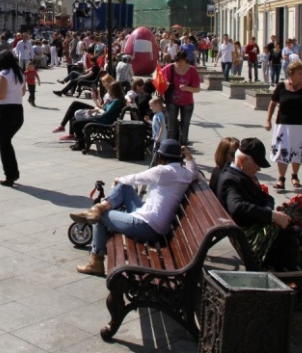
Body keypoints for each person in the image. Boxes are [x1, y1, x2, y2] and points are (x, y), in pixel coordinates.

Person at [70, 139, 198, 276]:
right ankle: (98, 209)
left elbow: (136, 178)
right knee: (124, 188)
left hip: (147, 226)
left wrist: (118, 180)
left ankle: (96, 261)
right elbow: (194, 170)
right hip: (154, 221)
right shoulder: (185, 174)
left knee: (101, 216)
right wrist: (187, 154)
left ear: (161, 157)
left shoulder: (162, 171)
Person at [216, 138, 302, 271]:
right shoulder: (231, 179)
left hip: (259, 227)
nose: (258, 169)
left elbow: (267, 198)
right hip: (255, 238)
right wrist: (272, 216)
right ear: (242, 161)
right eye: (257, 164)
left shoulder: (242, 173)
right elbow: (237, 207)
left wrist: (270, 211)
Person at [265, 62, 302, 190]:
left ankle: (295, 176)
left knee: (297, 150)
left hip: (301, 125)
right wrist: (268, 120)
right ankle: (281, 178)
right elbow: (272, 103)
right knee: (282, 151)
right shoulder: (281, 86)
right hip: (283, 125)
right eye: (299, 73)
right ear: (291, 74)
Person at [0, 50, 25, 187]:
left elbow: (1, 95)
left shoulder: (4, 74)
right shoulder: (19, 72)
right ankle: (13, 173)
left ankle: (10, 175)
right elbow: (23, 92)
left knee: (4, 145)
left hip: (5, 113)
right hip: (18, 112)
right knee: (7, 143)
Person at [52, 75, 117, 139]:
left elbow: (102, 108)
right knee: (74, 105)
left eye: (104, 84)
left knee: (75, 105)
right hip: (100, 110)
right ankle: (65, 128)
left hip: (100, 112)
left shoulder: (110, 95)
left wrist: (94, 100)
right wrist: (97, 97)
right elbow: (102, 106)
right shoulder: (110, 92)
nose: (103, 85)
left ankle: (64, 128)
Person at [71, 82, 126, 152]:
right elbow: (103, 108)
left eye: (110, 90)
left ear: (114, 91)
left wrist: (98, 110)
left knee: (76, 124)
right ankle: (80, 141)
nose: (109, 91)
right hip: (101, 119)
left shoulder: (116, 102)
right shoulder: (115, 101)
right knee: (74, 119)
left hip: (104, 122)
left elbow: (106, 114)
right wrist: (94, 109)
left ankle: (81, 143)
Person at [162, 50, 201, 146]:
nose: (178, 64)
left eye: (180, 62)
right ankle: (169, 147)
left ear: (185, 60)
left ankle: (183, 147)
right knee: (171, 126)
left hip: (187, 102)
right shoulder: (170, 68)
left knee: (185, 125)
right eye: (176, 61)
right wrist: (164, 84)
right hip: (172, 101)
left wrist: (186, 88)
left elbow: (197, 89)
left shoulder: (191, 70)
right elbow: (157, 78)